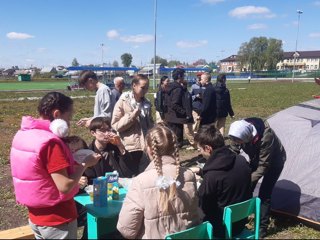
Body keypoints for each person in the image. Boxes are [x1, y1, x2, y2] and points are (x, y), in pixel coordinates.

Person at [10, 92, 101, 239]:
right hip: (58, 219)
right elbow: (64, 186)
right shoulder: (51, 143)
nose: (69, 123)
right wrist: (85, 164)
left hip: (35, 216)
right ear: (57, 114)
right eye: (68, 118)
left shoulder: (23, 135)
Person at [117, 124, 202, 239]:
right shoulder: (189, 175)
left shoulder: (141, 181)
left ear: (149, 149)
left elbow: (127, 229)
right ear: (174, 147)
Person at [228, 117, 286, 238]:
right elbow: (233, 152)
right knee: (246, 190)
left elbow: (263, 166)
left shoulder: (266, 136)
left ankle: (262, 228)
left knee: (264, 193)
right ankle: (240, 222)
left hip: (275, 162)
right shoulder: (238, 130)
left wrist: (246, 181)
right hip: (256, 158)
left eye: (240, 142)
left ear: (248, 136)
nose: (238, 143)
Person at [193, 124, 252, 238]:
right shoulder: (241, 161)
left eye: (200, 149)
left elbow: (203, 207)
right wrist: (201, 171)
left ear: (208, 148)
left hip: (221, 229)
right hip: (240, 222)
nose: (200, 153)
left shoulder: (212, 176)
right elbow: (227, 176)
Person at [112, 74, 153, 176]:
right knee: (129, 178)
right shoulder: (123, 102)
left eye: (147, 88)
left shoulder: (147, 103)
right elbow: (115, 125)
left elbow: (150, 124)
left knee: (144, 177)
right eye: (143, 88)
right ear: (134, 85)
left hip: (145, 147)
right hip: (129, 148)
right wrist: (131, 116)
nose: (145, 91)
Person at [85, 116, 135, 181]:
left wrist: (120, 145)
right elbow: (89, 178)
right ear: (93, 133)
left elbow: (128, 169)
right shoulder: (89, 153)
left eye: (108, 130)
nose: (107, 133)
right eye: (102, 130)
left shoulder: (114, 147)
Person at [164, 68, 189, 148]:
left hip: (169, 116)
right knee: (177, 142)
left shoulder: (170, 87)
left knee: (171, 141)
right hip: (176, 119)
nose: (184, 77)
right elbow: (174, 104)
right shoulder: (178, 89)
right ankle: (175, 160)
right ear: (179, 76)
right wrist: (183, 112)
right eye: (183, 75)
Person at [181, 79, 196, 149]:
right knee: (190, 130)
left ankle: (194, 144)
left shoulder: (186, 94)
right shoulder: (186, 93)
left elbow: (188, 106)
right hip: (188, 114)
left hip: (187, 115)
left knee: (187, 131)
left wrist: (188, 115)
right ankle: (195, 143)